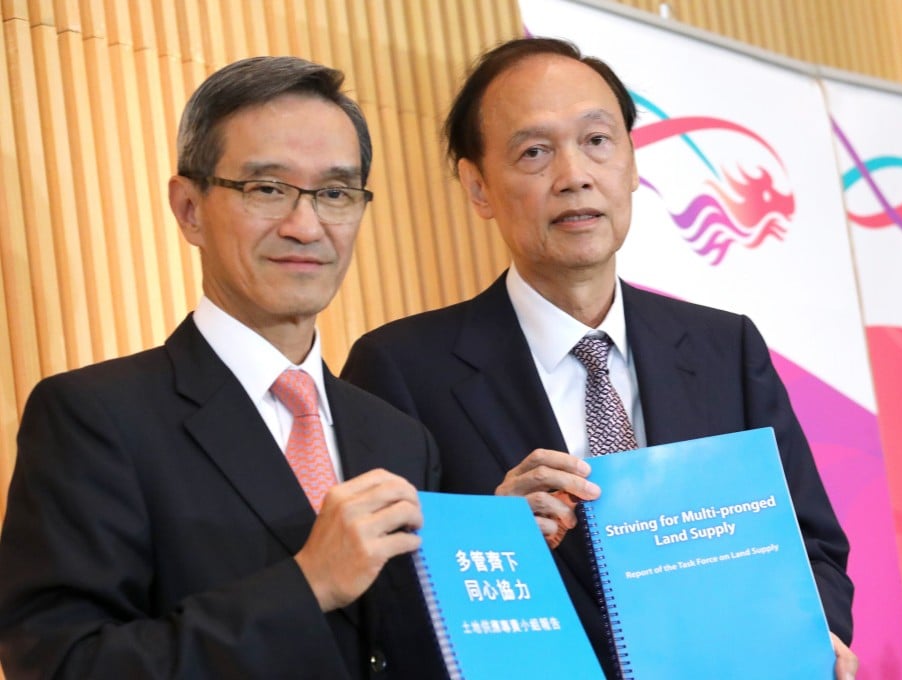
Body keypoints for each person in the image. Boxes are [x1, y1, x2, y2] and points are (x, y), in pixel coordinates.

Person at [341, 37, 858, 679]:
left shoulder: (726, 348)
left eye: (596, 140)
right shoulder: (399, 370)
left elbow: (814, 549)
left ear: (633, 164)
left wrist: (813, 639)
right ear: (477, 187)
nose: (574, 175)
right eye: (535, 152)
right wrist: (495, 541)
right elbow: (374, 610)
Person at [0, 56, 446, 679]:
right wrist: (306, 584)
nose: (305, 225)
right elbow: (59, 664)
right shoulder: (93, 417)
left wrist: (488, 544)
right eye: (267, 189)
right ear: (188, 208)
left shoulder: (400, 437)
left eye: (336, 193)